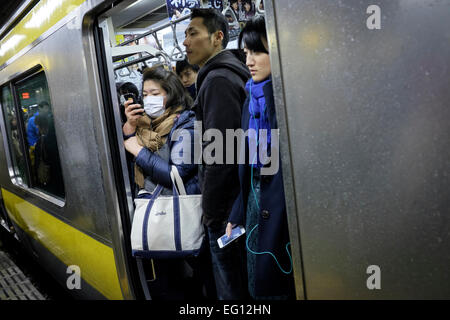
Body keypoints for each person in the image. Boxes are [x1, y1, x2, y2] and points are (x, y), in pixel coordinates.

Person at [122, 65, 215, 300]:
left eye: (155, 93)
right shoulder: (145, 126)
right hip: (159, 215)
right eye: (145, 94)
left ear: (171, 93)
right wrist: (129, 130)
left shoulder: (186, 124)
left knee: (196, 282)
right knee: (169, 283)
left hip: (182, 214)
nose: (148, 99)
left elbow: (176, 173)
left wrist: (136, 149)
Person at [183, 8, 251, 300]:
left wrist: (211, 214)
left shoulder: (217, 81)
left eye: (193, 33)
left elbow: (220, 155)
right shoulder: (227, 74)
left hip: (225, 214)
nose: (185, 42)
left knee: (231, 292)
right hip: (236, 204)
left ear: (217, 37)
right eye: (184, 34)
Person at [226, 16, 296, 300]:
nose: (250, 61)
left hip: (285, 213)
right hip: (256, 207)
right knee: (258, 281)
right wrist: (237, 213)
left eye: (258, 52)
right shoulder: (249, 101)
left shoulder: (287, 99)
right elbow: (249, 170)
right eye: (247, 54)